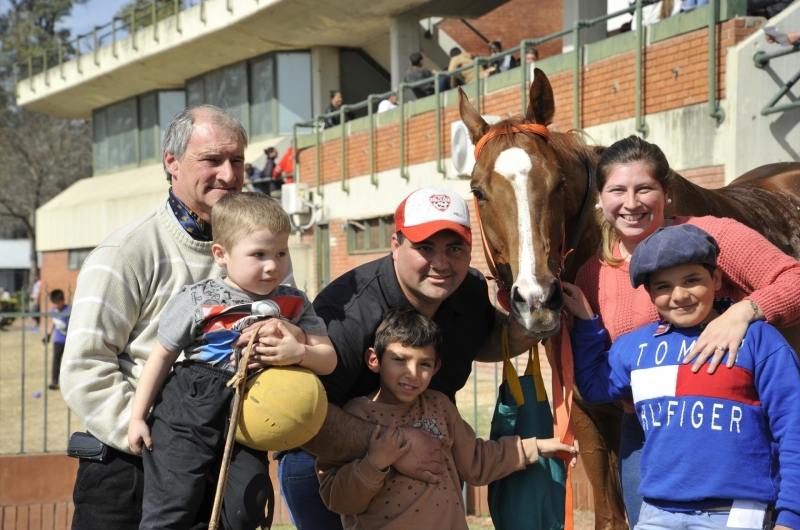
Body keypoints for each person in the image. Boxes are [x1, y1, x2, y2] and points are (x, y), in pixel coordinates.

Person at [61, 104, 298, 530]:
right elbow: (84, 369)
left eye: (238, 160)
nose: (228, 174)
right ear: (171, 162)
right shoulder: (126, 254)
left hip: (229, 463)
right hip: (130, 473)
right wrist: (164, 443)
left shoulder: (268, 253)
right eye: (211, 160)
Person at [278, 187, 540, 529]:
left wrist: (530, 325)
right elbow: (303, 418)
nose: (441, 263)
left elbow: (485, 341)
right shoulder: (347, 313)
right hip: (328, 461)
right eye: (425, 247)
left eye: (455, 248)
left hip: (427, 458)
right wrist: (400, 445)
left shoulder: (468, 291)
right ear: (395, 245)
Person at [573, 135, 800, 527]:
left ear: (667, 194)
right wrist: (585, 322)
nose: (631, 203)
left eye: (645, 188)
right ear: (599, 199)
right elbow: (599, 378)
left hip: (727, 437)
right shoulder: (591, 272)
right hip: (646, 438)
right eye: (617, 190)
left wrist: (743, 312)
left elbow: (793, 277)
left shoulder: (712, 237)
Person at [128, 192, 336, 529]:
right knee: (172, 505)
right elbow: (162, 355)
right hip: (191, 403)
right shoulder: (198, 298)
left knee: (248, 506)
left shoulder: (294, 303)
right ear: (221, 254)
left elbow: (328, 359)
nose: (273, 265)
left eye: (280, 253)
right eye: (259, 254)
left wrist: (300, 353)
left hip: (250, 413)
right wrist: (138, 417)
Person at [316, 306, 576, 530]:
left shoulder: (439, 406)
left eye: (424, 364)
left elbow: (476, 462)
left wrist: (537, 447)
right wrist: (375, 462)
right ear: (374, 359)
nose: (412, 373)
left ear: (436, 368)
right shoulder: (352, 418)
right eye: (400, 359)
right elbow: (338, 499)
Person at [45, 289, 69, 390]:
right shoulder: (53, 311)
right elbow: (52, 323)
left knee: (68, 362)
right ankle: (54, 381)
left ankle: (68, 383)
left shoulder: (69, 310)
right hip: (58, 340)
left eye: (58, 303)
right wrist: (48, 335)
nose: (56, 305)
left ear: (63, 300)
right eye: (54, 303)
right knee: (56, 360)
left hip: (69, 341)